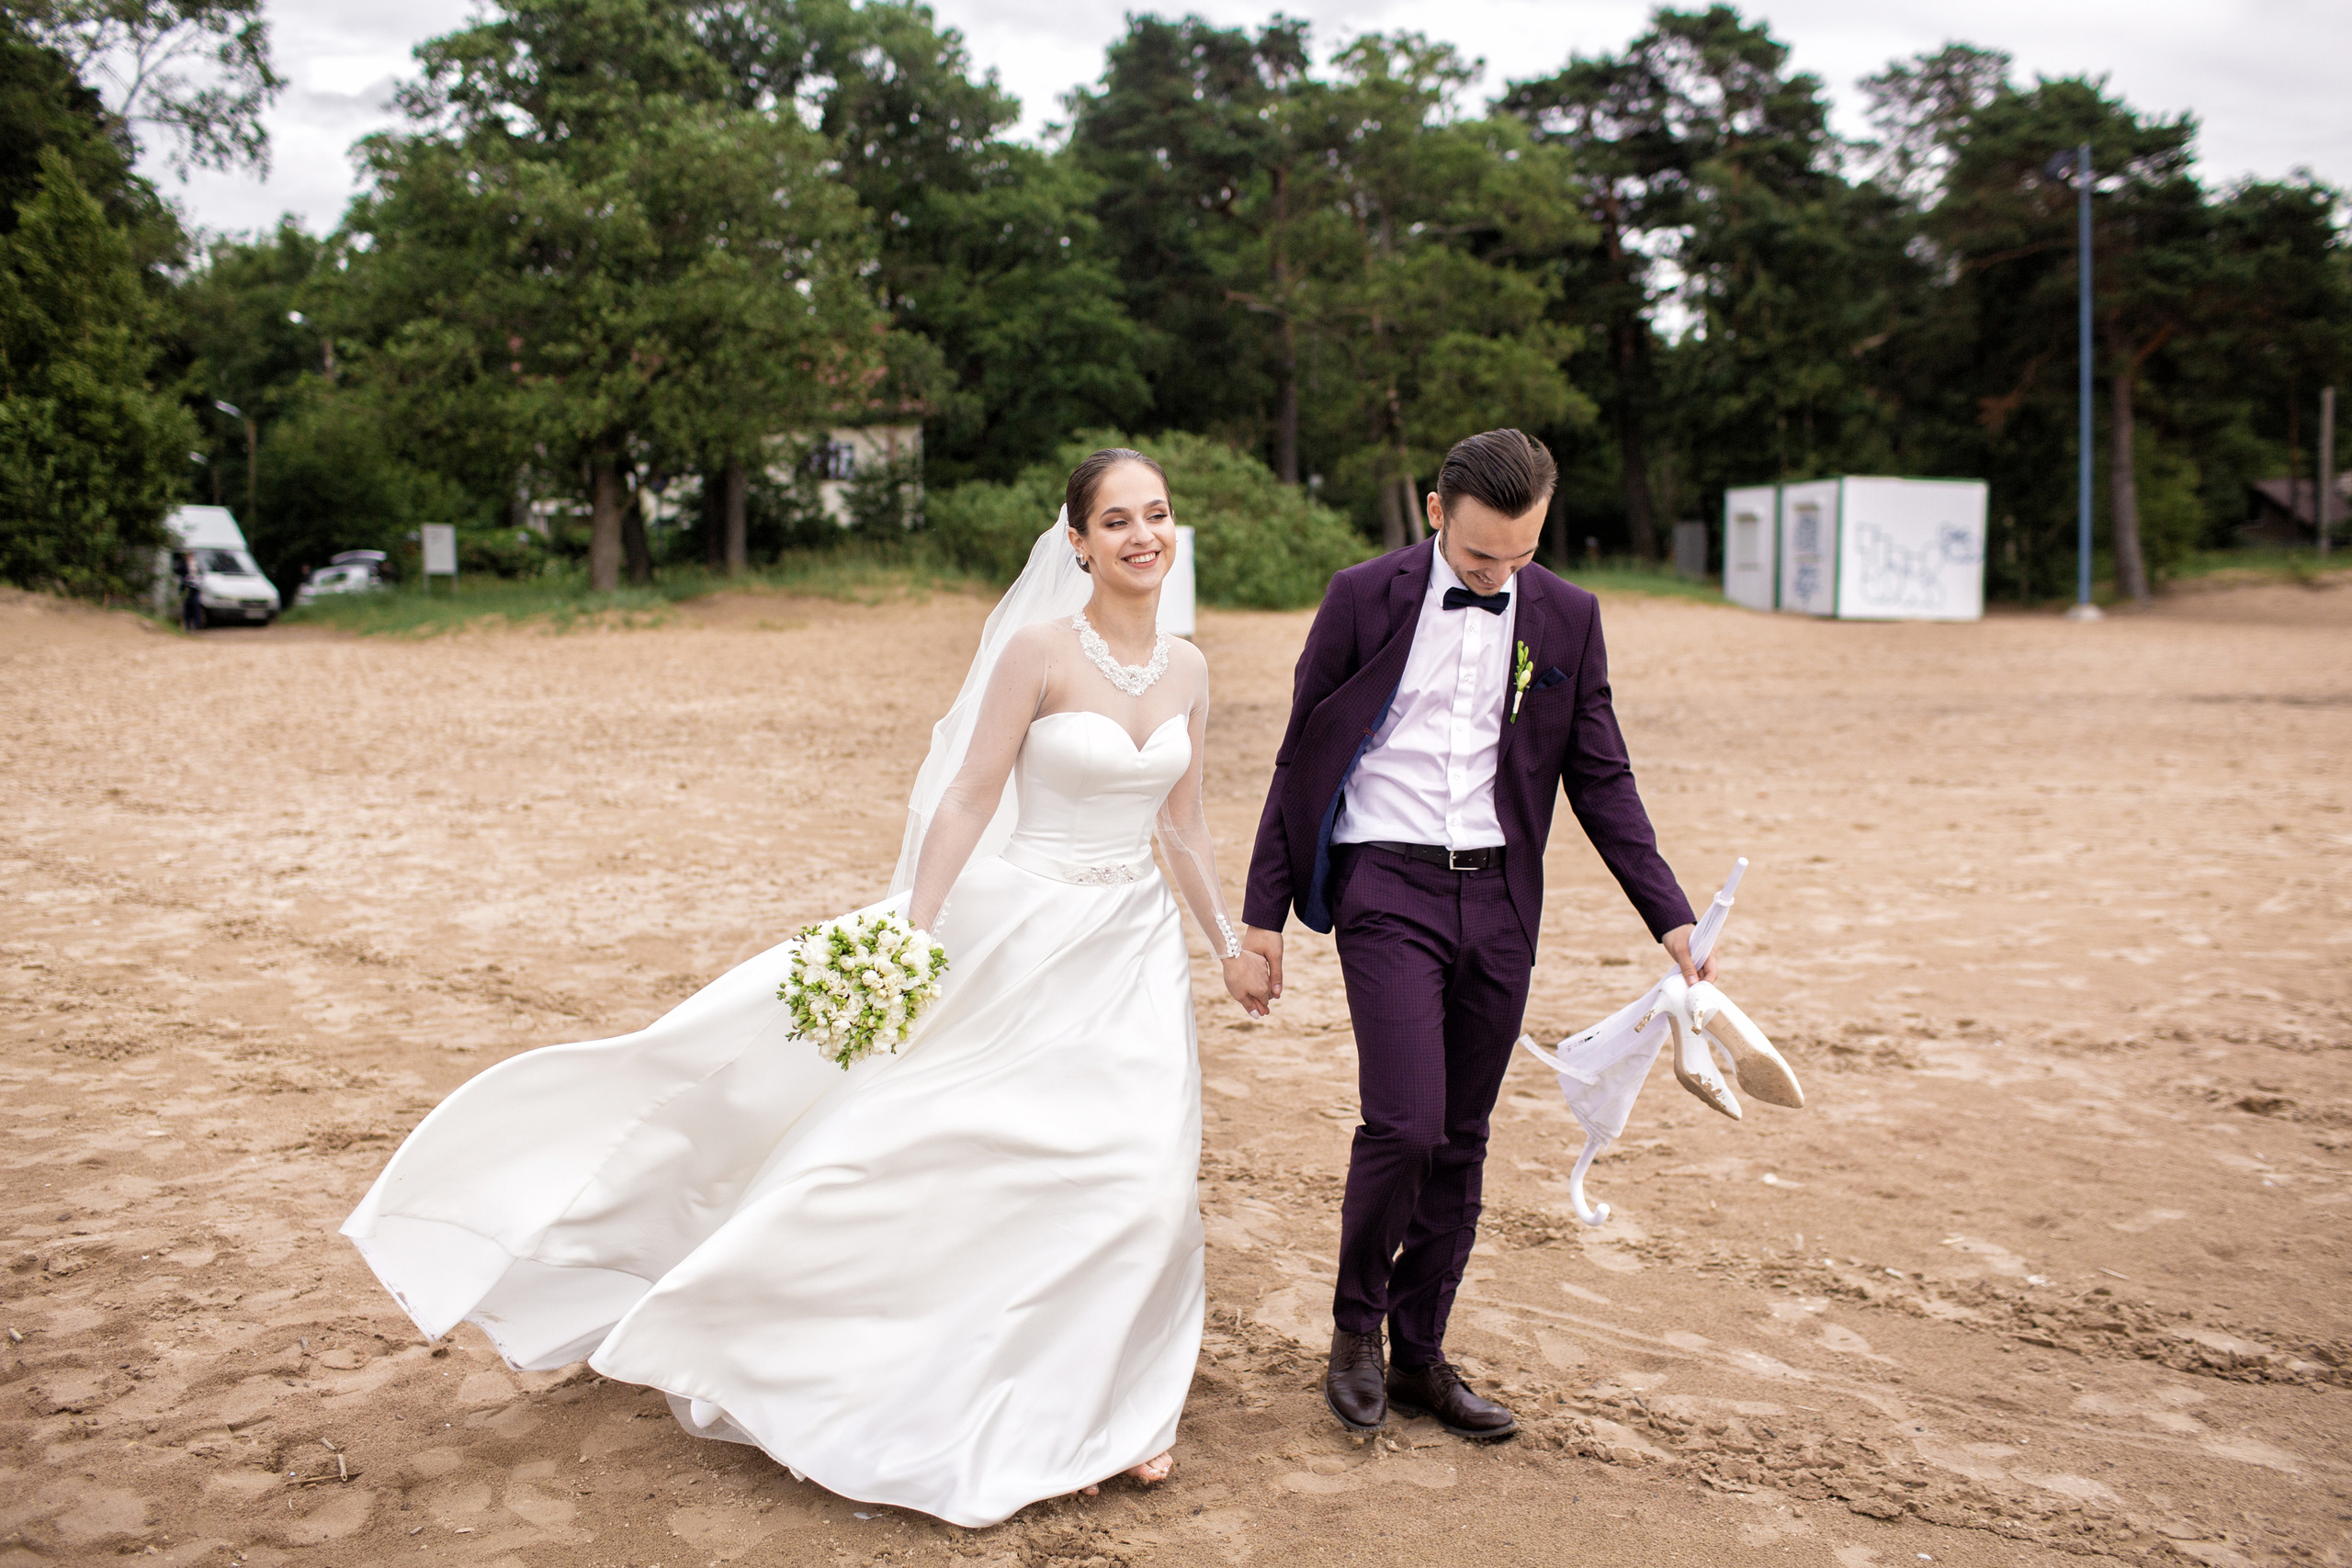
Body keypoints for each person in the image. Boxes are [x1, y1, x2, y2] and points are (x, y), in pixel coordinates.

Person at [342, 449, 1272, 1528]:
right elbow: (969, 798)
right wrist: (912, 933)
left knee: (1138, 1177)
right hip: (1019, 932)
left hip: (1129, 951)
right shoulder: (1036, 651)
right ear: (1076, 542)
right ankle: (787, 1329)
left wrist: (1226, 946)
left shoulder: (1191, 669)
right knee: (944, 1143)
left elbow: (1185, 824)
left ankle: (1110, 1411)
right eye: (1115, 521)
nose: (1140, 536)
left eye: (1155, 516)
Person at [1239, 428, 1712, 1440]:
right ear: (1433, 512)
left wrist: (1668, 913)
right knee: (1404, 1124)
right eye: (1478, 559)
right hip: (1385, 888)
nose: (1500, 577)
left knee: (1461, 1139)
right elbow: (1301, 758)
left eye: (1522, 557)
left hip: (1499, 899)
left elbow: (1602, 775)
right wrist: (1261, 915)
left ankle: (1419, 1355)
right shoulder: (1359, 596)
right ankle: (1355, 1330)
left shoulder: (1568, 619)